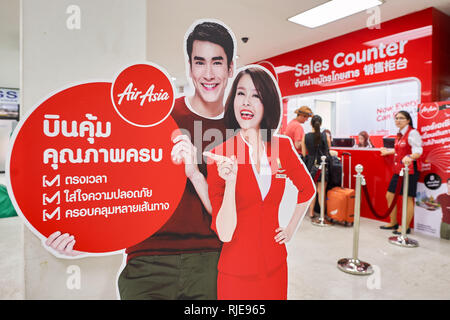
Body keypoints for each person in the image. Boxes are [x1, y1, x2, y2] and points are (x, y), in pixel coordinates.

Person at [45, 20, 236, 300]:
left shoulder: (241, 129)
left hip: (211, 259)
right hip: (147, 259)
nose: (208, 73)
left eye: (217, 62)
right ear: (190, 66)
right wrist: (82, 236)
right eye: (200, 62)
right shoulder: (158, 117)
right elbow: (114, 182)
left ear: (231, 67)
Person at [204, 66, 315, 300]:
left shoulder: (280, 147)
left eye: (256, 96)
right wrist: (231, 182)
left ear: (268, 104)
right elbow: (224, 233)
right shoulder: (221, 154)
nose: (246, 102)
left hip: (275, 266)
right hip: (236, 271)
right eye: (241, 94)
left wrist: (290, 229)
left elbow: (307, 189)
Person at [379, 110, 422, 235]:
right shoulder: (399, 134)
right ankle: (393, 222)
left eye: (401, 118)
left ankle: (405, 227)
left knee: (407, 199)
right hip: (399, 170)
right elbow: (400, 149)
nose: (398, 120)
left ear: (408, 120)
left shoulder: (413, 133)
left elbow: (418, 151)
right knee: (390, 195)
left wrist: (410, 156)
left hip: (411, 170)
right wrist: (388, 151)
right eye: (396, 118)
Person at [302, 115, 330, 218]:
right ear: (321, 123)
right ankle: (322, 214)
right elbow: (328, 151)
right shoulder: (325, 135)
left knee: (312, 190)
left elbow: (304, 153)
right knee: (321, 190)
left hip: (311, 165)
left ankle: (311, 213)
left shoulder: (306, 136)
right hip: (322, 165)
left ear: (311, 124)